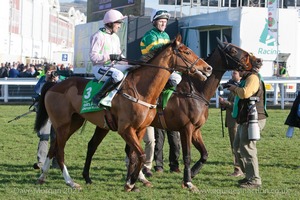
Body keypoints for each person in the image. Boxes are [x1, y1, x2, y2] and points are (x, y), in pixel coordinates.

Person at [140, 9, 181, 175]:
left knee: (178, 79)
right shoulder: (150, 35)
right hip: (150, 72)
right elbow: (157, 53)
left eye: (165, 21)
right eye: (160, 21)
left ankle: (170, 101)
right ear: (154, 22)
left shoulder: (165, 36)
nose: (163, 23)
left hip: (163, 71)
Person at [228, 64, 268, 189]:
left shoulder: (253, 78)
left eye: (239, 69)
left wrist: (234, 88)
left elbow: (245, 93)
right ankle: (249, 176)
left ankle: (255, 180)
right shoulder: (247, 78)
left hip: (253, 119)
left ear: (247, 69)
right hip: (245, 119)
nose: (237, 71)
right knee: (237, 148)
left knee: (248, 149)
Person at [89, 9, 128, 106]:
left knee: (131, 68)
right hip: (99, 68)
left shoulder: (116, 37)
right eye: (118, 23)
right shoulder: (98, 36)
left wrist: (129, 62)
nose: (119, 26)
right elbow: (93, 57)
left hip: (112, 67)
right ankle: (98, 97)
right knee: (118, 75)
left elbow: (119, 55)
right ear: (110, 23)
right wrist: (109, 57)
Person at [33, 63, 59, 170]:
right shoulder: (42, 80)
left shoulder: (60, 80)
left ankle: (56, 163)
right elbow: (37, 92)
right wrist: (46, 80)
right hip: (44, 112)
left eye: (52, 72)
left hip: (58, 112)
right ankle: (41, 161)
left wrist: (56, 81)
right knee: (44, 136)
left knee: (56, 137)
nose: (51, 74)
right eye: (48, 72)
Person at [219, 70, 243, 177]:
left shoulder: (240, 89)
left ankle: (238, 169)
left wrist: (225, 103)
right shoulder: (233, 87)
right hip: (231, 120)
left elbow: (238, 105)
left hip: (236, 121)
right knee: (235, 145)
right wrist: (223, 104)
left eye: (235, 73)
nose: (233, 74)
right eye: (232, 73)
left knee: (236, 146)